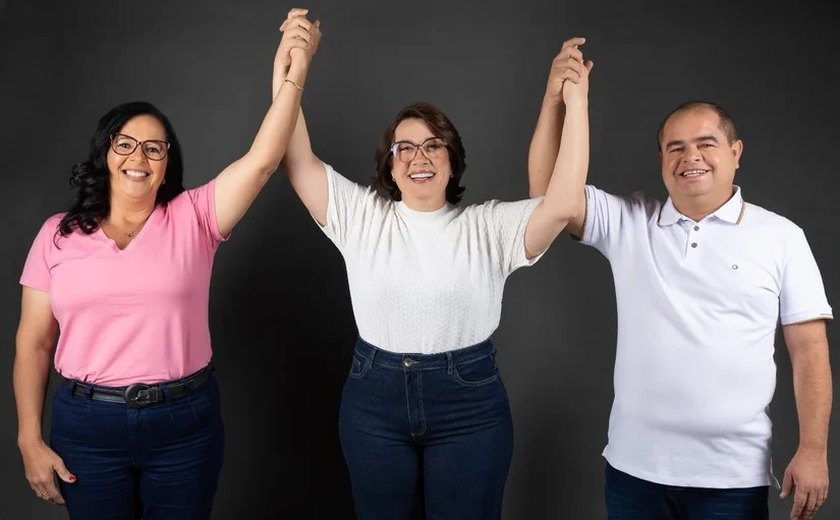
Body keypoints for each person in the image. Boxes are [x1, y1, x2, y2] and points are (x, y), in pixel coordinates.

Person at [274, 9, 593, 519]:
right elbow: (292, 155)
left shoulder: (488, 227)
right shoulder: (362, 216)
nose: (418, 157)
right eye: (404, 147)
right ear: (389, 165)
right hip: (372, 402)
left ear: (452, 160)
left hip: (470, 405)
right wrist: (292, 67)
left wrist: (568, 101)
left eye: (433, 145)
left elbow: (561, 201)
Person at [13, 11, 321, 519]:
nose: (139, 156)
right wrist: (28, 438)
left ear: (166, 163)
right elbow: (34, 340)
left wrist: (294, 70)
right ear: (105, 154)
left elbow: (264, 159)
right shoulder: (57, 234)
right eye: (125, 144)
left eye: (154, 147)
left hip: (184, 425)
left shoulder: (195, 216)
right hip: (87, 426)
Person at [529, 89, 833, 518]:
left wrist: (814, 450)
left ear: (735, 152)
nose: (691, 156)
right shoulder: (631, 223)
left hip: (731, 479)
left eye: (705, 143)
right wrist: (562, 103)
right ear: (662, 161)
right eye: (676, 147)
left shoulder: (781, 236)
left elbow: (810, 350)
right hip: (634, 472)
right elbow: (548, 200)